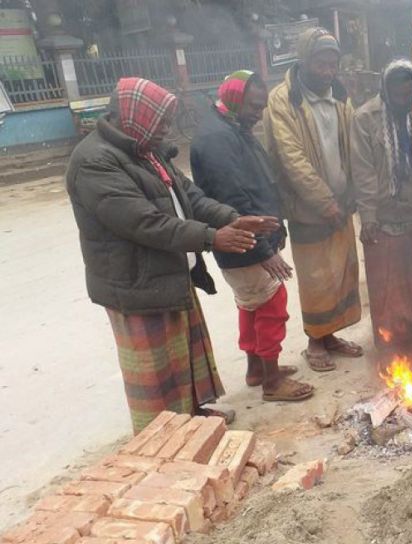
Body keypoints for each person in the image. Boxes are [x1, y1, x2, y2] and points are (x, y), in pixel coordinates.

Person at [65, 77, 280, 433]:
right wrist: (213, 238)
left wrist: (233, 218)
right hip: (135, 282)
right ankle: (163, 439)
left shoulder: (145, 148)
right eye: (161, 120)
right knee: (156, 373)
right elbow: (146, 223)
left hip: (169, 272)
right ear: (136, 116)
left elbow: (189, 196)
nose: (166, 129)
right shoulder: (96, 161)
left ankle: (193, 419)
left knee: (182, 360)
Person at [191, 70, 314, 402]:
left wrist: (278, 226)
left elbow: (260, 182)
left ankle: (256, 369)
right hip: (243, 242)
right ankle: (272, 381)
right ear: (234, 99)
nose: (258, 115)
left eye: (261, 108)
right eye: (254, 107)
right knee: (272, 305)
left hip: (251, 239)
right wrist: (264, 250)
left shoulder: (233, 128)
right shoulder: (218, 138)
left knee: (250, 305)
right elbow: (233, 202)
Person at [264, 27, 364, 373]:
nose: (328, 71)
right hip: (308, 207)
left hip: (341, 202)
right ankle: (315, 340)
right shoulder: (283, 99)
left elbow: (353, 144)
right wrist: (324, 202)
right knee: (317, 277)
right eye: (321, 64)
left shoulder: (339, 95)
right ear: (304, 61)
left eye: (332, 64)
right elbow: (292, 159)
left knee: (342, 271)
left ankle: (332, 334)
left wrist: (352, 192)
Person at [351, 60, 412, 347]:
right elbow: (362, 171)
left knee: (409, 275)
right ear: (385, 90)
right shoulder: (365, 118)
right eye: (397, 95)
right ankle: (388, 341)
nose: (403, 101)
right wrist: (368, 217)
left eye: (408, 94)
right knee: (382, 280)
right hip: (379, 214)